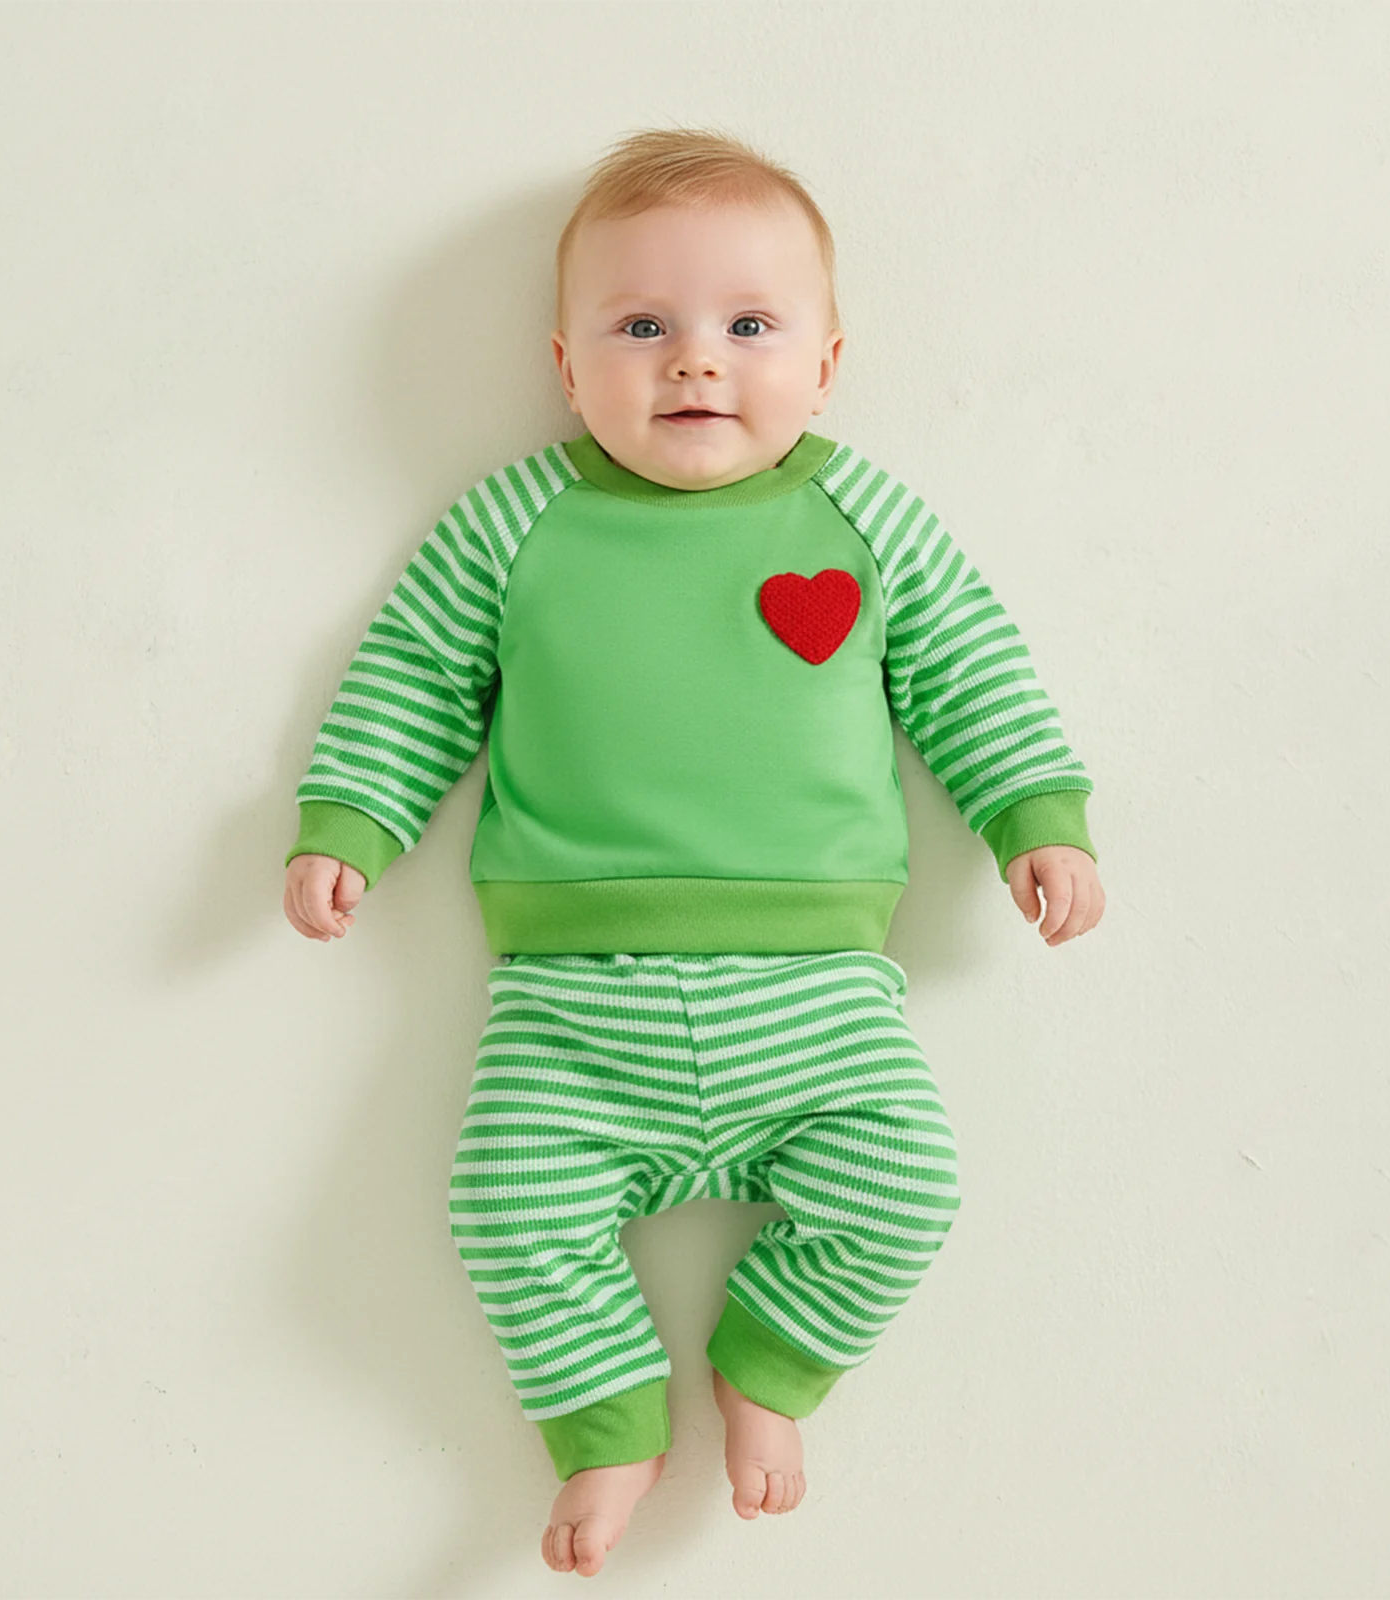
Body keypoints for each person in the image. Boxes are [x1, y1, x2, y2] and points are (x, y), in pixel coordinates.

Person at [282, 126, 1105, 1579]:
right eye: (642, 326)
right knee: (506, 1207)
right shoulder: (514, 524)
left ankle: (769, 1366)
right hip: (572, 1002)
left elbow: (973, 668)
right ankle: (607, 1426)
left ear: (828, 364)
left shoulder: (861, 520)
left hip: (820, 997)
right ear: (564, 361)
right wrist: (351, 821)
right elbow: (413, 677)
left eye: (749, 326)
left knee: (906, 1189)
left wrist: (1035, 815)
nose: (695, 364)